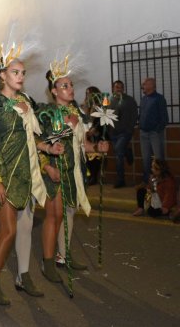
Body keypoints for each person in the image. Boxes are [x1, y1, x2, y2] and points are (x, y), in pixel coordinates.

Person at [0, 44, 51, 305]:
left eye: (23, 72)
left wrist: (48, 147)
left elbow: (30, 139)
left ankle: (23, 276)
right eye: (14, 72)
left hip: (27, 176)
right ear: (2, 75)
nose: (20, 76)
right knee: (7, 231)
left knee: (26, 229)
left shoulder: (26, 102)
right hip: (4, 177)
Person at [37, 63, 109, 281]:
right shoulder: (46, 114)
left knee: (68, 214)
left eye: (71, 85)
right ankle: (47, 262)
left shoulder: (76, 112)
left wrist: (97, 148)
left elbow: (82, 145)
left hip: (73, 172)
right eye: (64, 85)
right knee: (54, 217)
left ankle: (63, 255)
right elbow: (35, 142)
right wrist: (47, 166)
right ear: (54, 91)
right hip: (53, 171)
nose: (70, 88)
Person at [108, 80, 138, 188]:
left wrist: (130, 129)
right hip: (113, 132)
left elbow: (134, 115)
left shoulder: (129, 100)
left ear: (123, 89)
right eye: (116, 87)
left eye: (120, 87)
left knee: (118, 152)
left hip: (125, 132)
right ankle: (127, 150)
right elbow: (105, 114)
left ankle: (120, 180)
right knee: (118, 152)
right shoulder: (109, 100)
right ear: (113, 88)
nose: (118, 89)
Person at [139, 77, 169, 184]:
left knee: (158, 158)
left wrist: (157, 130)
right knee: (146, 159)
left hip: (154, 133)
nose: (143, 85)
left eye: (145, 83)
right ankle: (147, 181)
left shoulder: (159, 99)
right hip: (143, 133)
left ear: (151, 85)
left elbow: (164, 117)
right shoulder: (143, 99)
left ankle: (161, 181)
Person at [81, 86, 103, 186]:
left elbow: (101, 121)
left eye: (89, 93)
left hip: (97, 133)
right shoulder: (85, 105)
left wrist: (94, 130)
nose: (88, 95)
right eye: (86, 93)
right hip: (87, 133)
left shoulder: (100, 106)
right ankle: (89, 175)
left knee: (95, 156)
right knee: (86, 155)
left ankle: (94, 176)